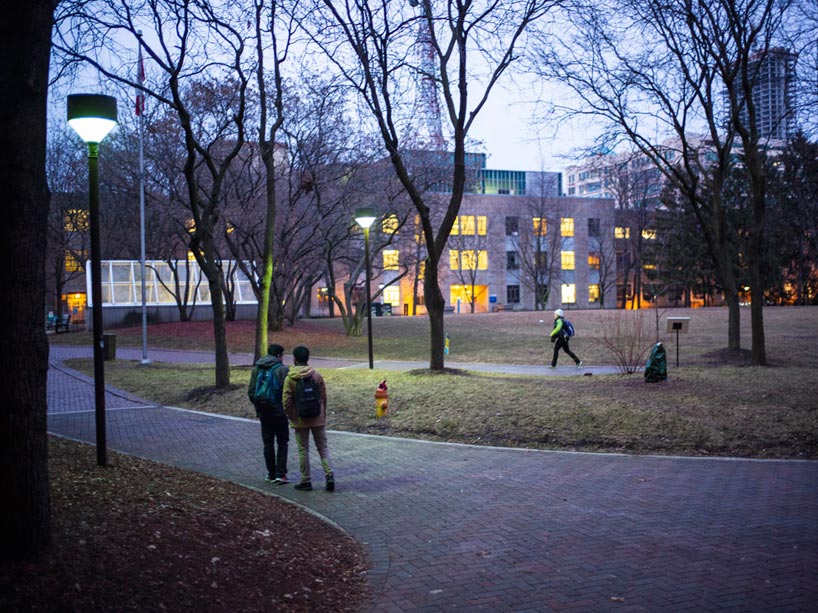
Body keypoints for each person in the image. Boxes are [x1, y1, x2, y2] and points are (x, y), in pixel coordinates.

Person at [283, 345, 335, 492]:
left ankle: (306, 481)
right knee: (323, 448)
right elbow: (323, 397)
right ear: (307, 358)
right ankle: (329, 474)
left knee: (303, 450)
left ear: (294, 359)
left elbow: (286, 401)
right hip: (317, 417)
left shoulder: (290, 378)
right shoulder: (316, 376)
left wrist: (292, 416)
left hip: (299, 419)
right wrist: (322, 414)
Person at [247, 343, 290, 484]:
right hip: (279, 412)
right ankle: (281, 474)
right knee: (282, 442)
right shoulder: (283, 370)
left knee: (268, 443)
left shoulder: (257, 368)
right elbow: (287, 392)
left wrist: (259, 406)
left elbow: (251, 391)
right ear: (279, 355)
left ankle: (270, 473)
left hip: (264, 412)